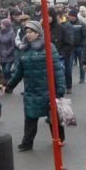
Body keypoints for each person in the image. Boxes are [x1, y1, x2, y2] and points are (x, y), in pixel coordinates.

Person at [18, 21, 67, 152]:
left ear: (38, 33)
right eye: (26, 32)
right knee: (30, 117)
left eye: (31, 32)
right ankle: (27, 143)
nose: (28, 35)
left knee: (53, 117)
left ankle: (59, 139)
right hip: (31, 90)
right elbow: (19, 71)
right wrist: (8, 86)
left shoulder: (49, 47)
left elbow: (57, 69)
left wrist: (60, 88)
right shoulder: (24, 49)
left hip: (48, 89)